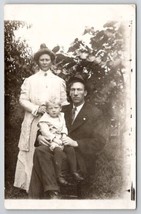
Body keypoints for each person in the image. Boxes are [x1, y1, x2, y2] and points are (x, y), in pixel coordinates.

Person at [28, 74, 107, 199]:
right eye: (73, 90)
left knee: (40, 153)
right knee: (39, 149)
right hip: (58, 149)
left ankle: (39, 197)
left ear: (85, 93)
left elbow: (100, 141)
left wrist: (75, 143)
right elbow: (45, 125)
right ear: (69, 93)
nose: (75, 93)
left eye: (79, 90)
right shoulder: (60, 109)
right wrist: (39, 137)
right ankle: (52, 192)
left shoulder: (95, 113)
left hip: (77, 156)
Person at [14, 44, 68, 192]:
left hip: (53, 122)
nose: (44, 62)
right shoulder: (30, 80)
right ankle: (30, 185)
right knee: (32, 150)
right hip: (34, 120)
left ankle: (50, 186)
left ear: (52, 61)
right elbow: (23, 99)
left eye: (47, 60)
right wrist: (37, 109)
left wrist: (55, 110)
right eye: (42, 60)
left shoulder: (58, 81)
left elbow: (64, 101)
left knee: (51, 149)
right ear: (37, 62)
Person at [38, 97, 84, 185]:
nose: (53, 110)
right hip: (51, 139)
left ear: (60, 108)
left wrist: (64, 135)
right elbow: (45, 132)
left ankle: (74, 171)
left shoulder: (61, 116)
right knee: (58, 151)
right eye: (50, 108)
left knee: (70, 148)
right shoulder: (44, 119)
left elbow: (64, 127)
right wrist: (54, 139)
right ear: (47, 110)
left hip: (61, 137)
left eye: (56, 108)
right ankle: (59, 175)